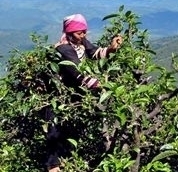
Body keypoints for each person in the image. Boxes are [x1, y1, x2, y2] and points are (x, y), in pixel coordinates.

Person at [45, 13, 123, 172]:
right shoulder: (64, 49)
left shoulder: (79, 41)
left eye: (84, 31)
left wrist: (111, 49)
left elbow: (93, 52)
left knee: (69, 129)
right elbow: (79, 74)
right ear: (69, 33)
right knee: (54, 131)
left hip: (71, 95)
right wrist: (106, 87)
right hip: (56, 96)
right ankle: (53, 166)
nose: (83, 35)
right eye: (79, 32)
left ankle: (67, 161)